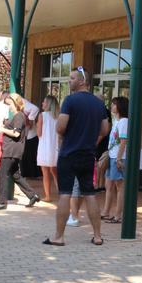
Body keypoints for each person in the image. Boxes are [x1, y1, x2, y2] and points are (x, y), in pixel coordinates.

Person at [45, 67, 110, 247]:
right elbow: (105, 130)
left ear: (82, 81)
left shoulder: (70, 100)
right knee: (89, 193)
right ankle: (97, 236)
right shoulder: (99, 104)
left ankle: (59, 237)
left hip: (69, 153)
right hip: (88, 154)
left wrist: (67, 129)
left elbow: (60, 127)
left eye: (72, 78)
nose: (69, 81)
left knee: (65, 194)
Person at [0, 93, 41, 210]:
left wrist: (2, 129)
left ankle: (2, 202)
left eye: (9, 103)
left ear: (14, 103)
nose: (9, 106)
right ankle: (33, 195)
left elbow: (16, 133)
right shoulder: (18, 116)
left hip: (11, 150)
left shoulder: (19, 116)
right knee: (15, 175)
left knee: (3, 174)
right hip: (13, 149)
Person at [100, 96, 129, 223]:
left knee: (119, 186)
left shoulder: (123, 121)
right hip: (112, 155)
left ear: (120, 107)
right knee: (109, 185)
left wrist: (118, 159)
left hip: (118, 157)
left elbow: (123, 141)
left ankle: (118, 215)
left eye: (114, 104)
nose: (112, 106)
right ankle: (106, 211)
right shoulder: (116, 121)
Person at [35, 94, 60, 202]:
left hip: (45, 146)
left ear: (48, 104)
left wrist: (36, 125)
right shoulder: (58, 116)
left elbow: (39, 133)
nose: (42, 103)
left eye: (44, 102)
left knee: (45, 173)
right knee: (55, 172)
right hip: (56, 146)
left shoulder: (42, 115)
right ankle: (62, 194)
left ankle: (48, 196)